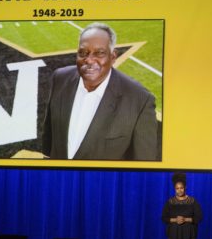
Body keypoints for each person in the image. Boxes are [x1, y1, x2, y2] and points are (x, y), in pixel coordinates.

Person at [42, 22, 158, 161]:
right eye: (83, 53)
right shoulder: (60, 78)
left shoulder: (140, 101)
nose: (89, 60)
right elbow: (49, 145)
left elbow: (143, 166)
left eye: (99, 53)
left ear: (113, 57)